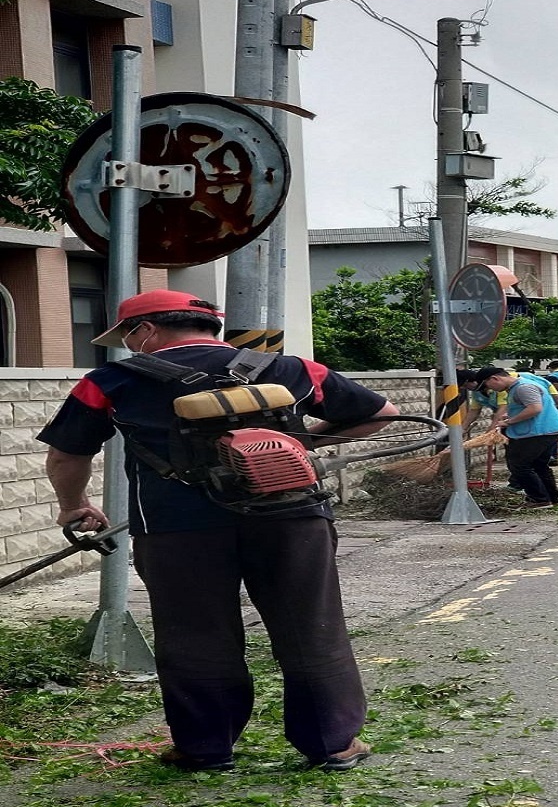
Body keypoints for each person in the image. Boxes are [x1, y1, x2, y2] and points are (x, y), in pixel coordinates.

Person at [37, 290, 401, 772]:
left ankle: (204, 747)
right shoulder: (292, 369)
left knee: (193, 633)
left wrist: (74, 506)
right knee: (311, 627)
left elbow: (67, 454)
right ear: (210, 325)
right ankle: (332, 743)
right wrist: (296, 446)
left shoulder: (109, 381)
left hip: (176, 529)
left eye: (128, 335)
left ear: (145, 330)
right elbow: (382, 413)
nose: (128, 345)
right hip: (291, 518)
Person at [474, 367, 558, 508]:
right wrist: (511, 416)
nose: (489, 390)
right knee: (539, 465)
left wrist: (509, 421)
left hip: (538, 432)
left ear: (495, 378)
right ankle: (550, 497)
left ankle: (539, 498)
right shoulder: (518, 386)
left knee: (518, 465)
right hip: (545, 429)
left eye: (487, 385)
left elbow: (535, 408)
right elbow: (526, 407)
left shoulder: (523, 387)